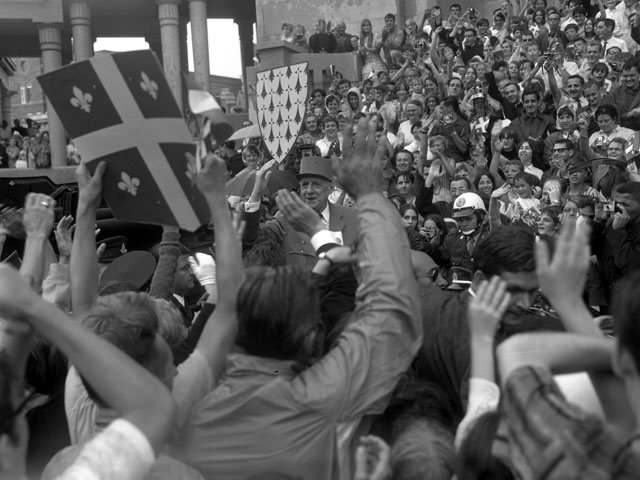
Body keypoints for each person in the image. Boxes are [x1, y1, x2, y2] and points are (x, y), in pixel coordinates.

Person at [174, 119, 422, 480]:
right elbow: (394, 312)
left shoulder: (182, 405)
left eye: (314, 185)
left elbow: (224, 299)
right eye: (303, 183)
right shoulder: (319, 399)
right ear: (308, 337)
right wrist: (370, 193)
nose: (307, 191)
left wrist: (213, 200)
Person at [417, 226, 541, 421]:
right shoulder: (485, 351)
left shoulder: (426, 303)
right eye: (513, 290)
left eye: (533, 291)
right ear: (480, 280)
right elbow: (480, 433)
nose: (526, 303)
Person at [242, 156, 358, 271]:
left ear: (331, 188)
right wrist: (256, 194)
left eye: (316, 185)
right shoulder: (286, 217)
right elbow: (251, 240)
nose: (309, 191)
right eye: (305, 185)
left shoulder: (353, 217)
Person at [603, 58, 640, 131]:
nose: (628, 79)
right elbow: (609, 116)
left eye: (632, 75)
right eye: (625, 76)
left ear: (639, 74)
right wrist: (629, 114)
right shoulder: (616, 92)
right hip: (619, 134)